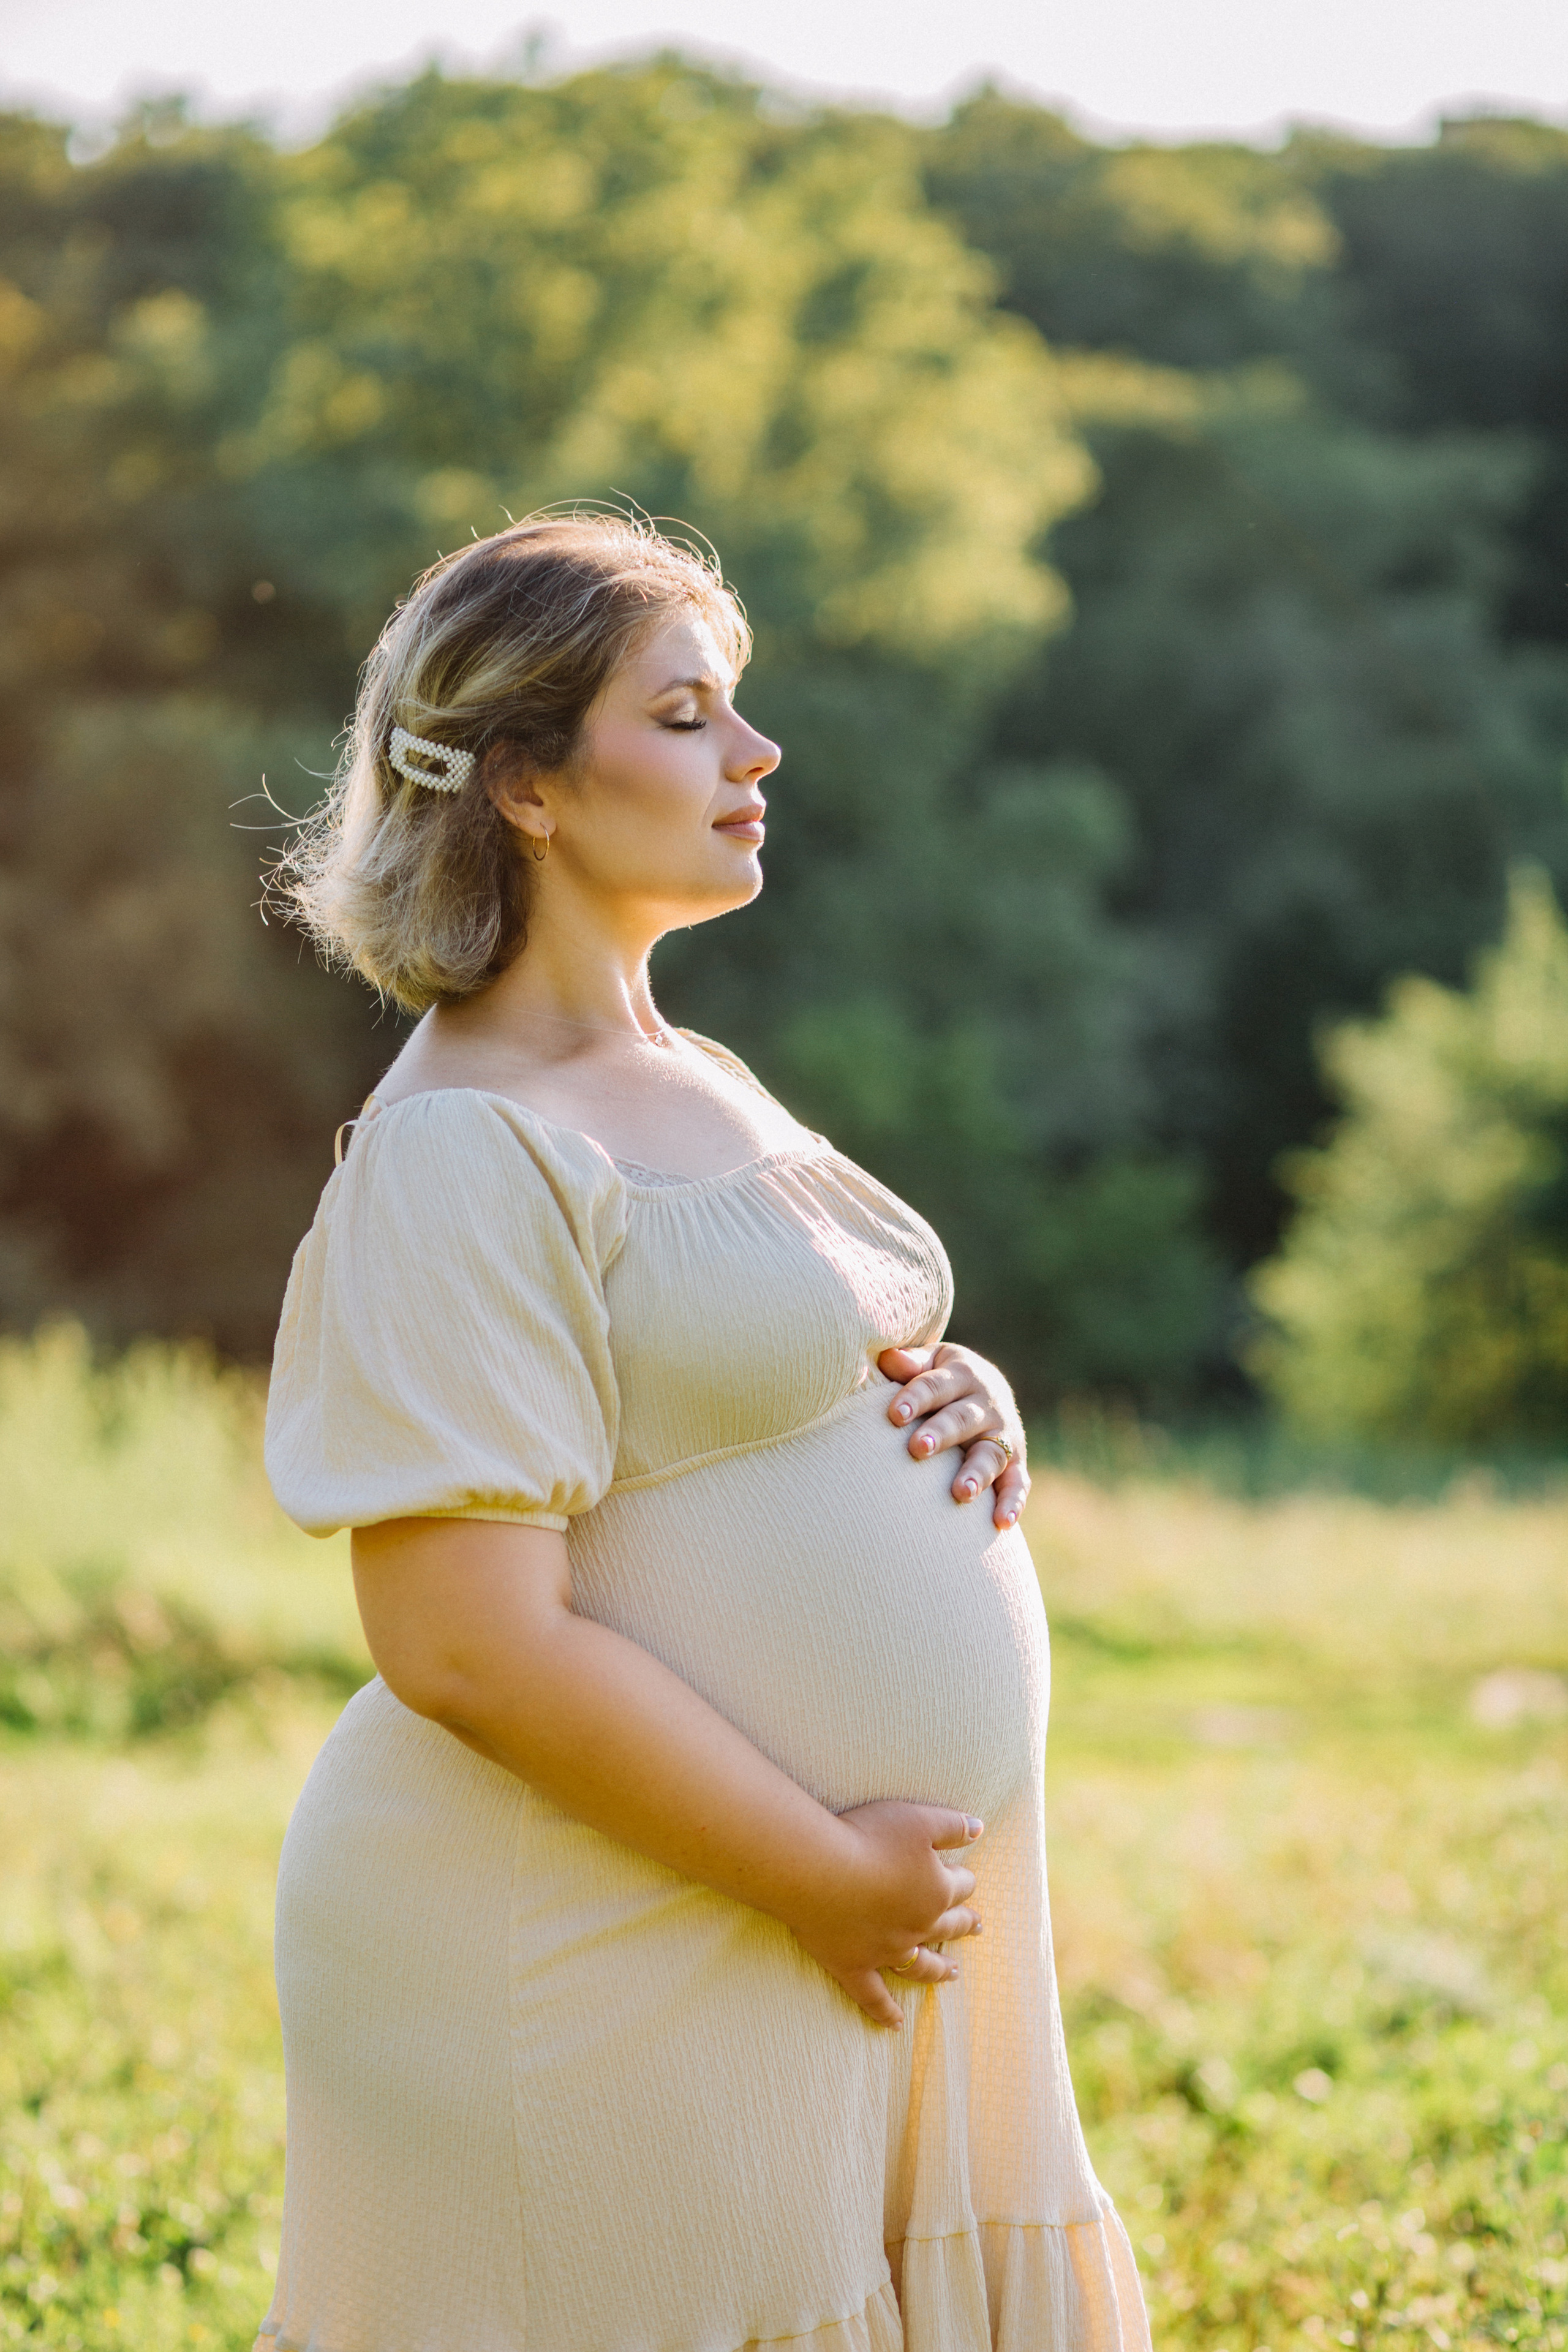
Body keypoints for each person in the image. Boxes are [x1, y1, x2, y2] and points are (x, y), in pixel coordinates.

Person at [258, 513, 1150, 2352]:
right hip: (596, 1931)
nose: (753, 756)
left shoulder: (689, 1074)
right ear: (523, 782)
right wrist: (825, 1876)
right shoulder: (459, 1150)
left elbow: (764, 1363)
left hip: (793, 1928)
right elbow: (462, 1644)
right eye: (687, 717)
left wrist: (942, 1392)